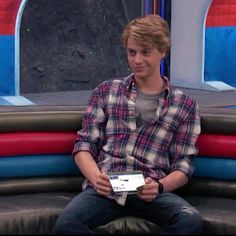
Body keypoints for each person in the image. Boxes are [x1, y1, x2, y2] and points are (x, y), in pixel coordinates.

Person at [54, 14, 203, 235]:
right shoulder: (106, 91)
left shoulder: (185, 105)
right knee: (66, 226)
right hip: (106, 188)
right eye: (132, 52)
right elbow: (84, 146)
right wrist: (96, 179)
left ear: (163, 51)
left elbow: (183, 165)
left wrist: (160, 186)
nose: (137, 60)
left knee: (190, 222)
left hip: (150, 190)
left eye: (145, 52)